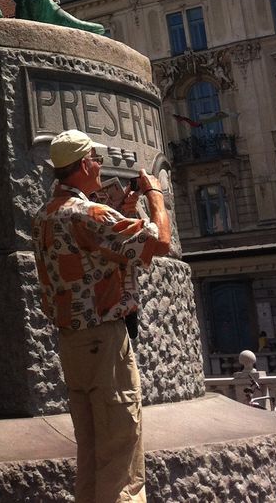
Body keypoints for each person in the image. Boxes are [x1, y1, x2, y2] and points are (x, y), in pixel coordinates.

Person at [32, 129, 172, 503]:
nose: (99, 164)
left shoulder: (44, 217)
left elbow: (93, 257)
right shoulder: (89, 213)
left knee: (92, 454)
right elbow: (160, 241)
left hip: (73, 343)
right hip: (104, 341)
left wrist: (123, 213)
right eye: (95, 158)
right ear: (82, 165)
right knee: (122, 459)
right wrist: (155, 195)